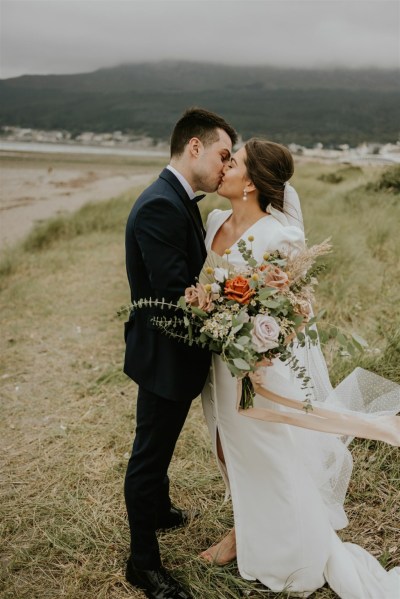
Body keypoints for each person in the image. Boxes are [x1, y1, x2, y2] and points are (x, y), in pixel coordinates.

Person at [200, 139, 400, 597]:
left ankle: (294, 552)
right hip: (218, 364)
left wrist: (261, 342)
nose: (224, 166)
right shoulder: (212, 222)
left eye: (233, 162)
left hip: (260, 368)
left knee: (270, 453)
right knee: (227, 446)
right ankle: (244, 531)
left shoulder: (280, 236)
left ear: (250, 182)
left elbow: (298, 311)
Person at [123, 107, 237, 599]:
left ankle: (162, 510)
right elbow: (176, 295)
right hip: (163, 354)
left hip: (175, 353)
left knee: (162, 441)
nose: (226, 167)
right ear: (195, 147)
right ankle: (143, 563)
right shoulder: (159, 205)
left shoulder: (178, 197)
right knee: (149, 454)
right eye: (222, 155)